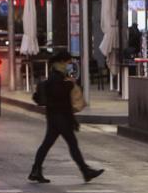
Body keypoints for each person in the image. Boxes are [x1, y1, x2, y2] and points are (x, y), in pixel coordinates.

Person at [29, 50, 103, 184]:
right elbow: (59, 96)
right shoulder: (56, 77)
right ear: (62, 62)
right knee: (71, 144)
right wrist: (69, 85)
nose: (69, 65)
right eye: (68, 62)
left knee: (48, 144)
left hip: (55, 116)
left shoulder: (58, 75)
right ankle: (85, 171)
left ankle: (36, 170)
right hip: (60, 116)